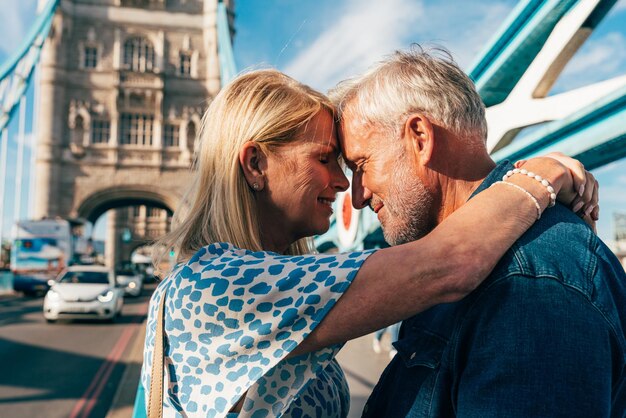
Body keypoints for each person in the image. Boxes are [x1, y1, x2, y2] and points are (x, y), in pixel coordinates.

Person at [141, 69, 597, 418]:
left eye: (355, 163)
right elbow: (448, 264)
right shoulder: (212, 287)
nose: (346, 186)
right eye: (326, 159)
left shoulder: (271, 281)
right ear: (256, 164)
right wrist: (541, 175)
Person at [331, 46, 625, 417]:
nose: (357, 197)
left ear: (420, 137)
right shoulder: (442, 269)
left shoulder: (531, 283)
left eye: (361, 165)